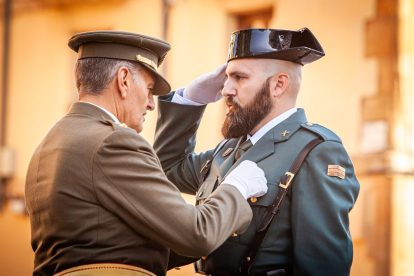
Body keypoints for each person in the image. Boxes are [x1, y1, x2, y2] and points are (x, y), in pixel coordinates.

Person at [25, 30, 268, 276]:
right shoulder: (113, 142)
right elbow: (196, 234)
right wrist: (236, 188)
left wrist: (221, 226)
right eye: (150, 89)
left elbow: (128, 244)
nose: (151, 103)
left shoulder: (51, 144)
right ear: (124, 80)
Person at [154, 27, 360, 275]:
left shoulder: (316, 151)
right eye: (226, 78)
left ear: (278, 85)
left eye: (239, 78)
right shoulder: (229, 148)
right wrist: (189, 100)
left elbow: (321, 268)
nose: (225, 90)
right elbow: (166, 171)